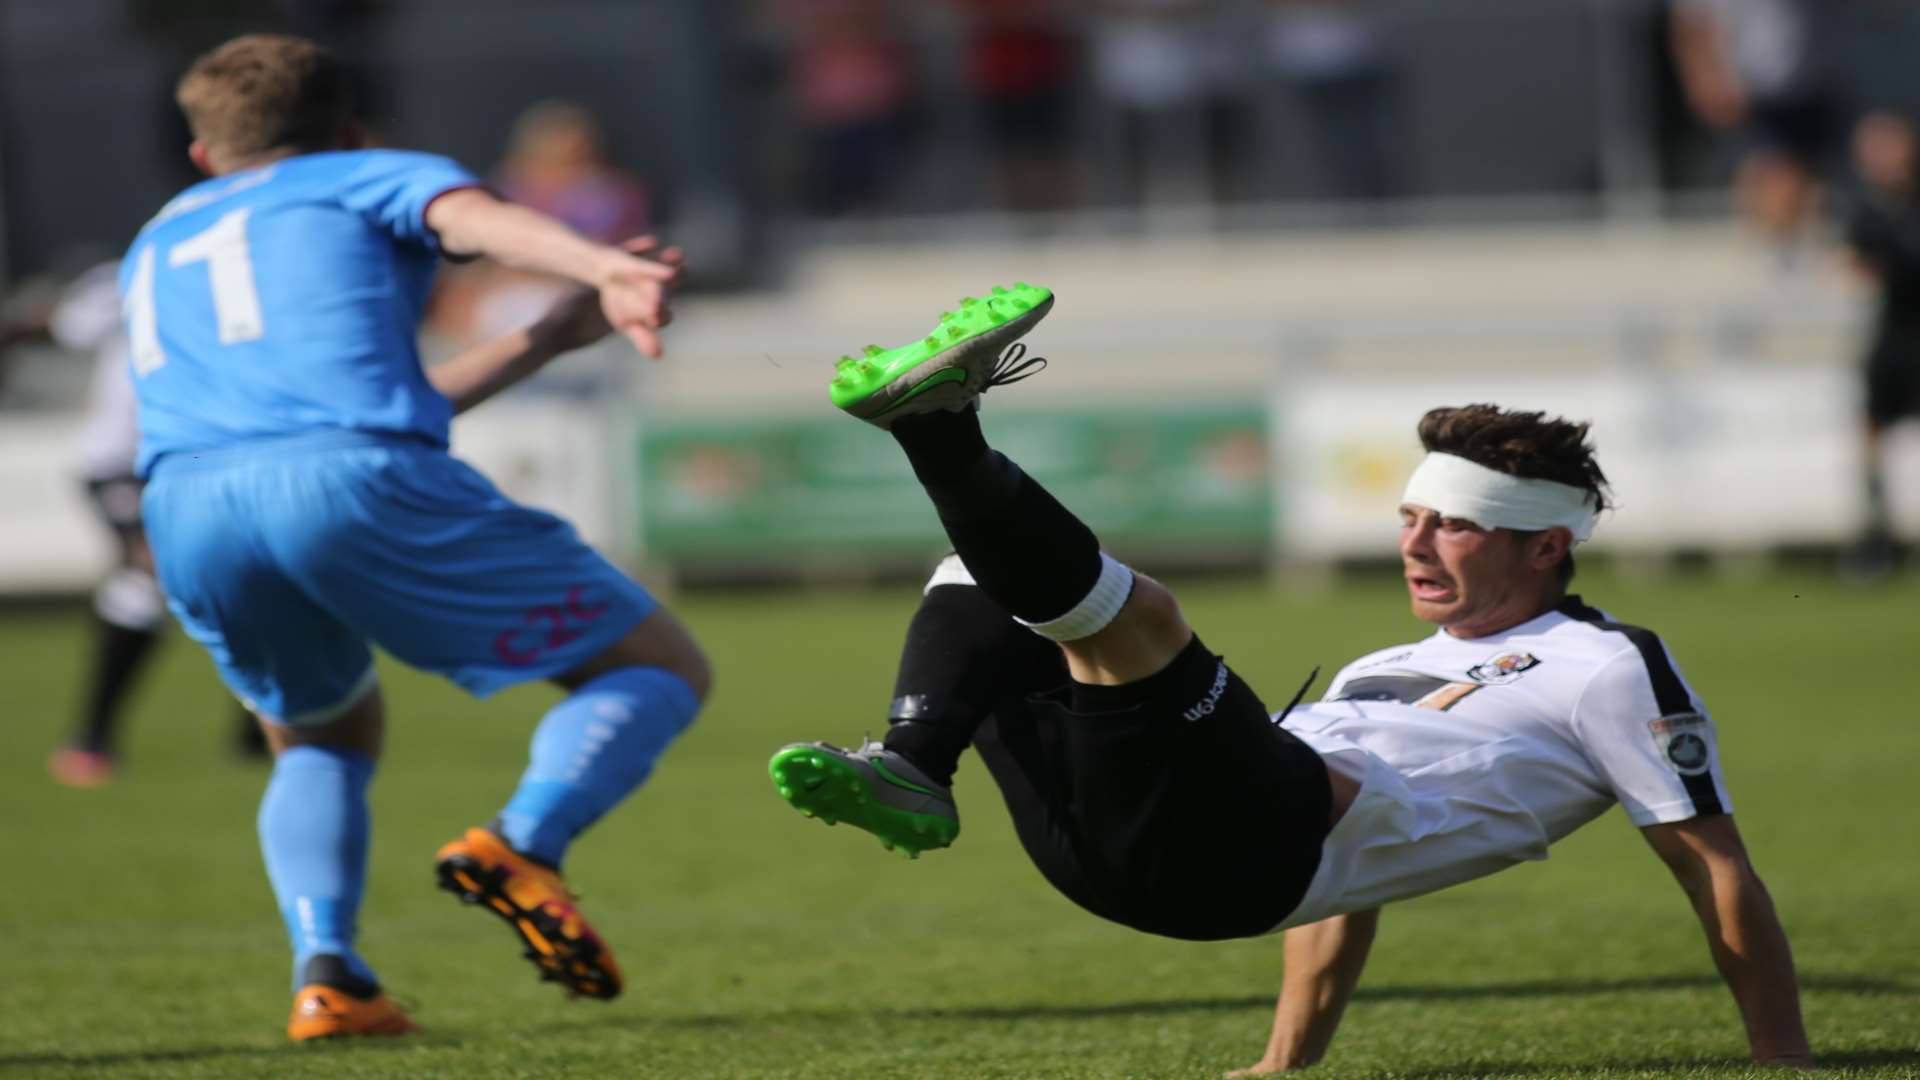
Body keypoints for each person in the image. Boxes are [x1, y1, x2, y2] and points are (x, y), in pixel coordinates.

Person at [770, 286, 1812, 1071]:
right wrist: (1288, 1059)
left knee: (1142, 620)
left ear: (1547, 547)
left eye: (1455, 524)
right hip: (1110, 856)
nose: (1419, 543)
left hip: (1243, 855)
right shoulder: (1383, 663)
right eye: (1411, 518)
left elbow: (1711, 864)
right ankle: (913, 764)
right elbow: (1343, 901)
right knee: (983, 581)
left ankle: (940, 423)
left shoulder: (1610, 664)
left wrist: (1782, 1059)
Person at [124, 34, 710, 1040]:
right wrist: (603, 263)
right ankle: (525, 842)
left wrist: (547, 334)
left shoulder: (159, 239)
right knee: (655, 665)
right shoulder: (364, 174)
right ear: (349, 128)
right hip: (349, 475)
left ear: (201, 155)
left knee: (317, 733)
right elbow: (476, 222)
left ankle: (331, 976)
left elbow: (387, 397)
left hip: (187, 502)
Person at [32, 261, 267, 788]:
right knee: (149, 571)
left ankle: (261, 729)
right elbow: (65, 324)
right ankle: (92, 736)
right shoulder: (141, 264)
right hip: (123, 461)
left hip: (209, 459)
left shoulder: (262, 269)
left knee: (253, 578)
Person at [1669, 0, 1844, 261]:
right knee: (1772, 172)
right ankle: (1774, 253)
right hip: (1749, 89)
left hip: (1812, 85)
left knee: (1803, 178)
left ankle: (1789, 251)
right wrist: (1705, 78)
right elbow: (1691, 24)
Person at [1840, 110, 1920, 577]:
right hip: (1893, 337)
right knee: (1872, 434)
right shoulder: (1863, 208)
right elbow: (1856, 267)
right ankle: (1877, 534)